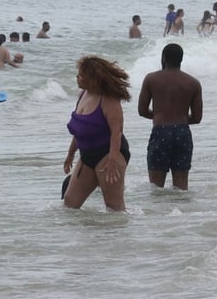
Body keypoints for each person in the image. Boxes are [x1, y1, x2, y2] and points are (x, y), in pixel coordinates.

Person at [63, 56, 131, 211]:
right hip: (87, 154)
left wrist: (113, 160)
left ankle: (118, 234)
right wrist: (70, 154)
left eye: (80, 75)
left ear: (92, 78)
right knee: (70, 203)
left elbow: (117, 132)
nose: (77, 77)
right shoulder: (82, 94)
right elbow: (79, 130)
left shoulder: (109, 100)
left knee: (114, 207)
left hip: (109, 153)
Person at [138, 43, 203, 190]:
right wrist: (181, 119)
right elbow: (197, 117)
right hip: (182, 132)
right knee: (181, 188)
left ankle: (158, 212)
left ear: (163, 58)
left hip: (160, 131)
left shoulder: (151, 79)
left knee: (155, 187)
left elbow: (142, 110)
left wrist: (161, 116)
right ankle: (180, 212)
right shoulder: (193, 83)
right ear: (181, 59)